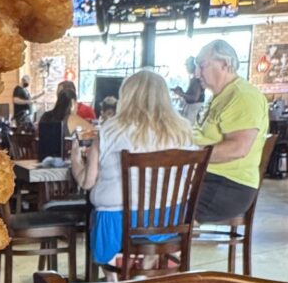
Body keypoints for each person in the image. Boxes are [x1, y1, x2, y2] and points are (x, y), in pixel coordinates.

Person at [69, 69, 198, 267]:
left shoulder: (110, 131)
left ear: (126, 96)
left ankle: (113, 281)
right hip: (170, 219)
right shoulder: (184, 132)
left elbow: (87, 182)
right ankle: (143, 273)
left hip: (117, 222)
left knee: (101, 211)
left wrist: (76, 159)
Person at [191, 39, 270, 224]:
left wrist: (189, 155)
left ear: (225, 65)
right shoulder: (220, 96)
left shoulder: (242, 96)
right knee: (152, 192)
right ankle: (158, 250)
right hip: (209, 179)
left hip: (228, 186)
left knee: (162, 204)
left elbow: (238, 148)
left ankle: (161, 249)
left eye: (202, 66)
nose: (196, 74)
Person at [36, 89, 74, 162]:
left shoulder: (45, 115)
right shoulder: (70, 119)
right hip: (63, 161)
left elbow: (38, 136)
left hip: (43, 159)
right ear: (72, 103)